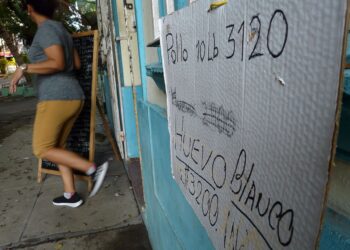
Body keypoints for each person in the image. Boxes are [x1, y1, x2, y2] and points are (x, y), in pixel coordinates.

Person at [10, 0, 108, 208]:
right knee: (57, 147)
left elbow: (58, 63)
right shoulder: (60, 29)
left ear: (30, 8)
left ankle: (91, 167)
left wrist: (25, 68)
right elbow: (77, 64)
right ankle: (70, 194)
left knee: (41, 149)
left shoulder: (46, 30)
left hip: (56, 98)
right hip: (73, 96)